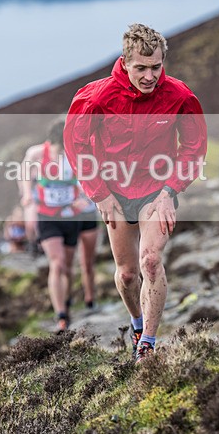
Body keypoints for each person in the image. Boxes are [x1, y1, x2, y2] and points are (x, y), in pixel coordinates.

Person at [64, 23, 207, 363]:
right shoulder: (97, 96)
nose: (149, 76)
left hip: (156, 191)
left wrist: (171, 190)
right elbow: (76, 144)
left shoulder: (180, 96)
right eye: (141, 68)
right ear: (125, 62)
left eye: (155, 67)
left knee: (151, 261)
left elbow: (194, 147)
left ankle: (148, 346)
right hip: (114, 192)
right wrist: (99, 193)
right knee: (128, 275)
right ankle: (138, 323)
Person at [19, 120, 98, 333]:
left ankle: (68, 299)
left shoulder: (76, 156)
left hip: (71, 217)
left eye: (64, 148)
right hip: (47, 216)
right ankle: (61, 315)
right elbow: (24, 173)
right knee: (57, 262)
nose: (60, 153)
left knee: (68, 267)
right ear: (51, 142)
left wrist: (84, 199)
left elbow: (86, 181)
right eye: (58, 148)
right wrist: (27, 194)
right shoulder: (36, 153)